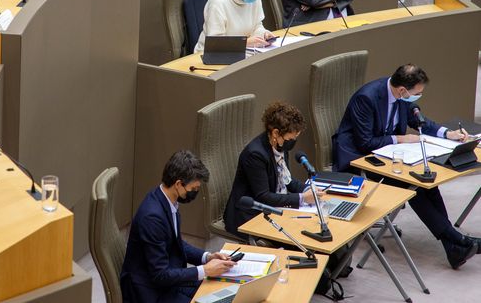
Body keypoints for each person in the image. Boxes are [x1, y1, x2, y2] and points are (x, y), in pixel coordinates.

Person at [332, 64, 479, 269]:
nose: (418, 97)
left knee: (428, 183)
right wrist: (400, 139)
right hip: (359, 157)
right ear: (403, 90)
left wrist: (448, 133)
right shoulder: (367, 98)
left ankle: (453, 245)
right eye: (417, 93)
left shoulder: (401, 98)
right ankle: (456, 241)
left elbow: (420, 122)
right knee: (415, 187)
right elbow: (365, 142)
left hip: (389, 155)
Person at [120, 151, 236, 303]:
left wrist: (207, 257)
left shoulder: (167, 201)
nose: (195, 193)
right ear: (179, 184)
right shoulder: (152, 218)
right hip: (150, 292)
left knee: (220, 289)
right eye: (194, 189)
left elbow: (176, 243)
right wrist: (205, 270)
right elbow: (159, 275)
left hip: (167, 280)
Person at [224, 102, 322, 238]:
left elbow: (286, 179)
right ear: (276, 132)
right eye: (290, 138)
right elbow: (263, 196)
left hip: (275, 208)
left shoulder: (280, 145)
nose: (292, 142)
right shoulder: (255, 154)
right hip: (250, 215)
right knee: (305, 238)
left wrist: (307, 189)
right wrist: (302, 198)